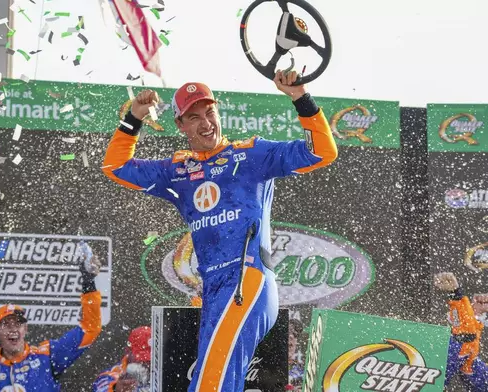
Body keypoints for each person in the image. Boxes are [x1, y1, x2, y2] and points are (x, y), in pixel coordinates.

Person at [102, 70, 337, 390]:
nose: (205, 122)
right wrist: (134, 117)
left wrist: (301, 97)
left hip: (248, 280)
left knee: (210, 383)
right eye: (194, 116)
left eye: (210, 112)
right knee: (212, 381)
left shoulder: (252, 153)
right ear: (180, 125)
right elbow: (115, 167)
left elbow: (323, 152)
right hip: (213, 291)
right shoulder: (177, 171)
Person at [0, 244, 103, 391]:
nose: (13, 328)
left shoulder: (47, 356)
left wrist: (88, 283)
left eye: (18, 324)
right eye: (6, 324)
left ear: (25, 329)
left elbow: (90, 327)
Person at [434, 272, 488, 390]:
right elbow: (466, 332)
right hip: (452, 348)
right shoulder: (466, 328)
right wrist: (456, 294)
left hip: (465, 353)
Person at [92, 326, 152, 392]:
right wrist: (115, 389)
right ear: (128, 351)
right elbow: (103, 388)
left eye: (148, 360)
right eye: (140, 358)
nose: (144, 363)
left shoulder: (162, 374)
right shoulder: (110, 376)